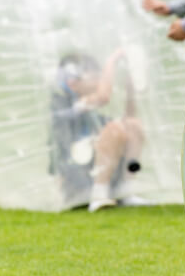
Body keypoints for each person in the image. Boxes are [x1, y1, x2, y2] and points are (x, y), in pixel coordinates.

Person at [50, 50, 144, 212]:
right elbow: (103, 97)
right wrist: (112, 60)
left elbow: (130, 117)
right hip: (77, 177)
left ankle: (126, 190)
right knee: (114, 129)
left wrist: (129, 83)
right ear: (73, 82)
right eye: (93, 75)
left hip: (99, 167)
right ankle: (98, 195)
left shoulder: (95, 114)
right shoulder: (67, 106)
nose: (100, 79)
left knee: (133, 125)